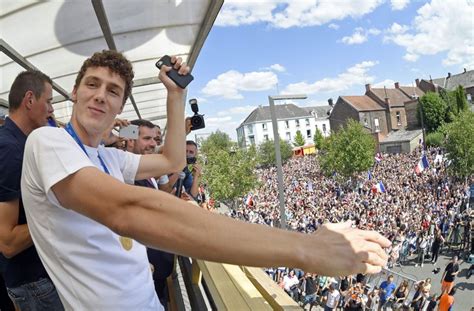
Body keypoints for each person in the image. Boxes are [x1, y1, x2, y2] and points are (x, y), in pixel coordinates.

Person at [21, 50, 390, 309]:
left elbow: (173, 159)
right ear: (75, 92)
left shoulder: (108, 157)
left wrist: (176, 95)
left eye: (113, 91)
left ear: (120, 108)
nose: (100, 96)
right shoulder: (46, 141)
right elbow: (127, 210)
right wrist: (306, 249)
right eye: (92, 85)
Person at [0, 70, 63, 310]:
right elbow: (7, 243)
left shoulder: (23, 143)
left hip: (40, 276)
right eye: (48, 101)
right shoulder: (9, 149)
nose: (52, 109)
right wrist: (61, 209)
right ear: (29, 100)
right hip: (33, 283)